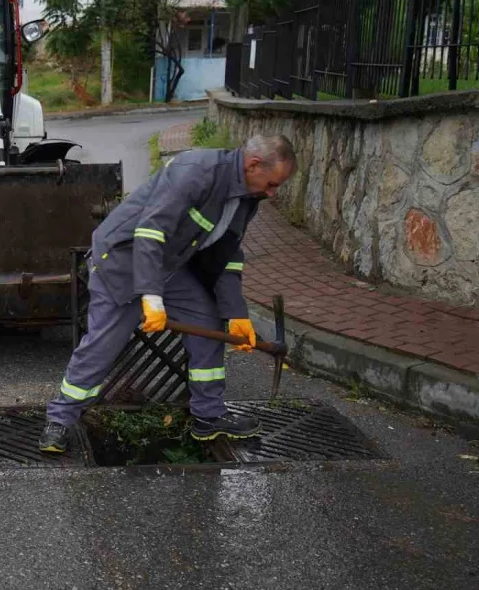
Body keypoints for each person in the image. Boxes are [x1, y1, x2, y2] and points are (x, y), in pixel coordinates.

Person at [39, 135, 297, 453]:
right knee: (102, 347)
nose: (272, 193)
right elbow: (149, 232)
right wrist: (151, 297)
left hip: (169, 265)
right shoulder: (196, 172)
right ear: (253, 165)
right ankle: (59, 420)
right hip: (122, 262)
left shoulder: (248, 197)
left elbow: (226, 253)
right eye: (272, 184)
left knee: (210, 324)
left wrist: (236, 312)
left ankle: (208, 415)